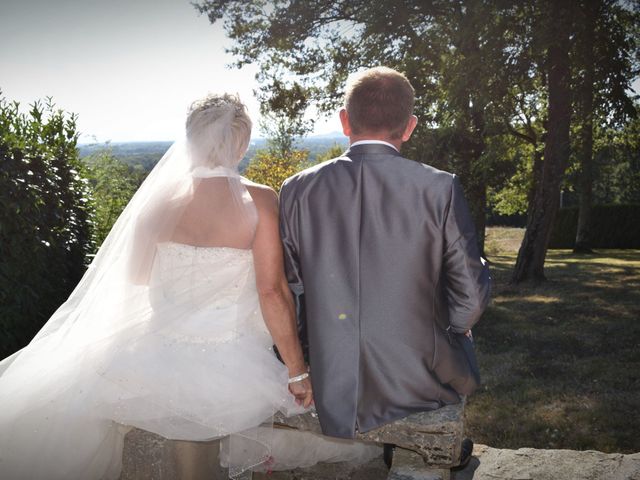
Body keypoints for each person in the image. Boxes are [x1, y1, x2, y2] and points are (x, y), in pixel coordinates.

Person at [0, 93, 380, 479]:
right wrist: (297, 371)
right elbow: (271, 292)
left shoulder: (157, 203)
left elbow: (135, 276)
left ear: (191, 140)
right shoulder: (260, 200)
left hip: (154, 354)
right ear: (243, 143)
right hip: (231, 360)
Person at [279, 67, 491, 449]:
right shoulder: (440, 186)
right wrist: (456, 327)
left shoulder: (296, 189)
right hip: (417, 376)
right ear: (409, 127)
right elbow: (471, 296)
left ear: (345, 121)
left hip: (330, 376)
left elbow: (291, 288)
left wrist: (302, 362)